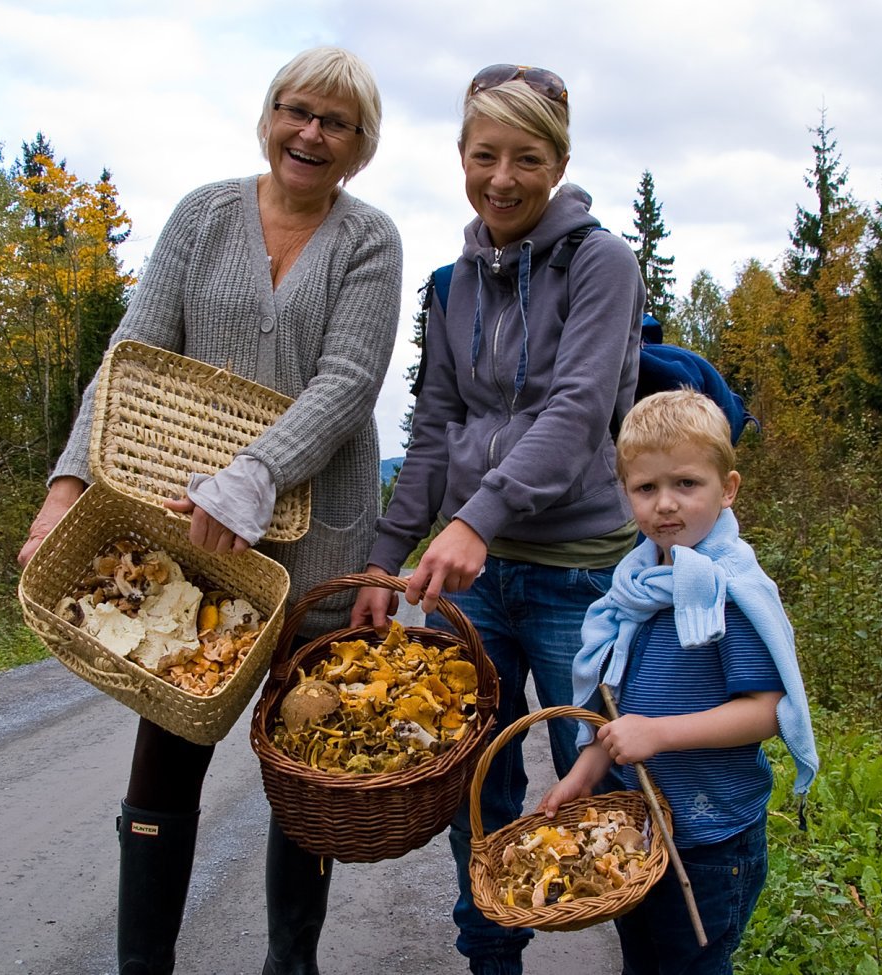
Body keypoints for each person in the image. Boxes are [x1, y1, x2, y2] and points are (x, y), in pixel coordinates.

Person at [16, 47, 403, 975]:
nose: (311, 133)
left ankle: (289, 965)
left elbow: (348, 384)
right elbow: (131, 357)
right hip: (191, 538)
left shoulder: (369, 240)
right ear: (269, 115)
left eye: (336, 123)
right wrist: (65, 488)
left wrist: (255, 473)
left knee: (306, 752)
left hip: (320, 544)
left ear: (360, 147)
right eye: (297, 111)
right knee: (168, 751)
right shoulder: (202, 215)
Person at [351, 64, 644, 975]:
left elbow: (578, 409)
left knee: (607, 778)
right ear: (462, 157)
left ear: (558, 161)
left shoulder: (602, 262)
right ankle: (491, 958)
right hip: (475, 580)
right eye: (485, 155)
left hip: (579, 572)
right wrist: (382, 554)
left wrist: (478, 519)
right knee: (474, 780)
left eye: (526, 157)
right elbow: (432, 431)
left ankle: (652, 951)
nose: (503, 178)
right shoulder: (452, 285)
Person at [540, 389, 819, 975]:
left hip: (711, 839)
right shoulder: (637, 587)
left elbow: (769, 711)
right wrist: (584, 772)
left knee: (691, 962)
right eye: (646, 489)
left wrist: (661, 734)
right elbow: (620, 706)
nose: (665, 505)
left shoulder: (724, 591)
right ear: (626, 495)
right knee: (645, 960)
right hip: (642, 833)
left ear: (729, 489)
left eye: (686, 484)